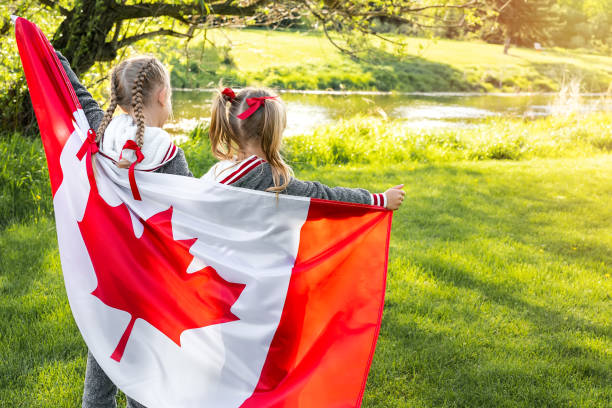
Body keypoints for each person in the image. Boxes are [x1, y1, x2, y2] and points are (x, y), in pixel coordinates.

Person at [57, 52, 192, 408]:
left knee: (105, 349)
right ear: (162, 96)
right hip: (150, 281)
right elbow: (195, 214)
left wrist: (51, 54)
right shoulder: (168, 154)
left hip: (107, 271)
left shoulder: (100, 136)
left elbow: (79, 95)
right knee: (143, 366)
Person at [203, 87, 405, 209]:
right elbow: (326, 198)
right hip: (260, 272)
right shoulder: (273, 180)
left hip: (221, 268)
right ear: (275, 133)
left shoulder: (219, 171)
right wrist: (380, 199)